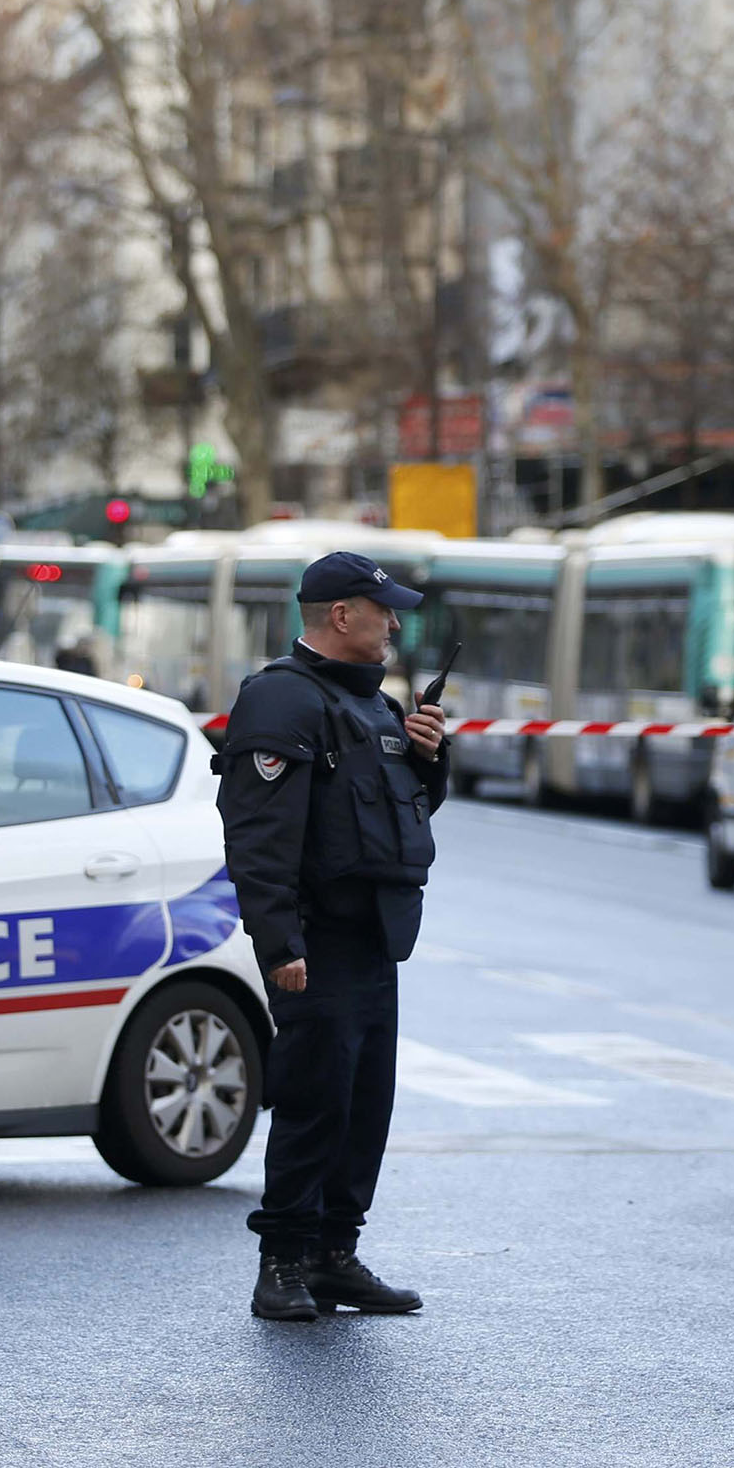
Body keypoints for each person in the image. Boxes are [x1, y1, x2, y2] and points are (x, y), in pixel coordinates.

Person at [216, 551, 446, 1321]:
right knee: (313, 1101)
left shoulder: (375, 705)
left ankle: (334, 1253)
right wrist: (279, 942)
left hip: (376, 939)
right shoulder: (282, 698)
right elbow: (259, 835)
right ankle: (282, 1260)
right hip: (317, 940)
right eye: (384, 610)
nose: (395, 624)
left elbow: (403, 810)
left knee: (363, 1104)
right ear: (342, 615)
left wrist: (429, 759)